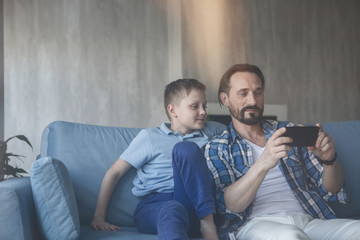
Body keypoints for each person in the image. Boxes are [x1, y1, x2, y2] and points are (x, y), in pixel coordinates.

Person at [205, 64, 360, 240]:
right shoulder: (217, 147)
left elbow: (332, 189)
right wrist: (263, 163)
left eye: (258, 92)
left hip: (309, 220)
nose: (253, 101)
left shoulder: (289, 131)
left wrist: (329, 161)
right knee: (290, 236)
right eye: (243, 93)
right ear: (225, 99)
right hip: (257, 224)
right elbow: (231, 206)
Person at [91, 79, 220, 240]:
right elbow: (114, 173)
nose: (203, 112)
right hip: (155, 207)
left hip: (194, 208)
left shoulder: (210, 135)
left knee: (186, 149)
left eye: (204, 106)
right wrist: (98, 217)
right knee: (172, 209)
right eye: (195, 106)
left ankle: (208, 224)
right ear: (173, 110)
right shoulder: (150, 137)